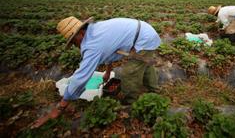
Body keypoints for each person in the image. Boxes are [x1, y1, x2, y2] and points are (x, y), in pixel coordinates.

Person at [31, 17, 161, 128]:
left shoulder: (92, 45)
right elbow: (111, 50)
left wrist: (60, 107)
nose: (76, 45)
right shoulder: (94, 30)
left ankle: (130, 103)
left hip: (144, 38)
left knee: (128, 72)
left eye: (74, 41)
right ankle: (154, 89)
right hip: (144, 31)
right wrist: (108, 71)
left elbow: (80, 78)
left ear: (80, 33)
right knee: (144, 63)